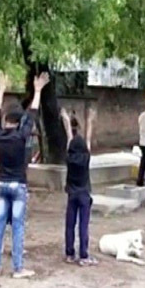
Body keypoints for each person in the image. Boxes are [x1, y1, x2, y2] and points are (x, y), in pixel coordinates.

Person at [0, 72, 50, 279]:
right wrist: (38, 90)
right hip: (19, 186)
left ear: (6, 120)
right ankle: (17, 268)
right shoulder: (21, 135)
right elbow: (33, 112)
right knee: (17, 227)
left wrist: (2, 89)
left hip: (1, 185)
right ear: (19, 121)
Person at [61, 108, 98, 267]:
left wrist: (66, 120)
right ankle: (83, 255)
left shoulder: (69, 157)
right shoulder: (86, 156)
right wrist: (90, 120)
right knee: (83, 225)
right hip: (84, 193)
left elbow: (70, 137)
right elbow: (88, 138)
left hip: (71, 194)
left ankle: (69, 254)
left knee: (70, 224)